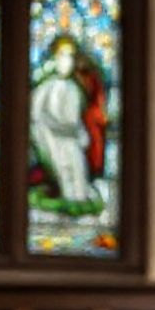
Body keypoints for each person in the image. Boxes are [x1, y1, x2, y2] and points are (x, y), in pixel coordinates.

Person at [29, 36, 107, 217]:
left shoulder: (74, 88)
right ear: (54, 59)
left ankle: (78, 202)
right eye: (62, 55)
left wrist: (81, 135)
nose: (67, 61)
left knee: (78, 176)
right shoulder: (45, 87)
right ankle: (65, 200)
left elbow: (76, 120)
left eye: (70, 56)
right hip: (51, 138)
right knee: (63, 173)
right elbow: (35, 116)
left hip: (72, 140)